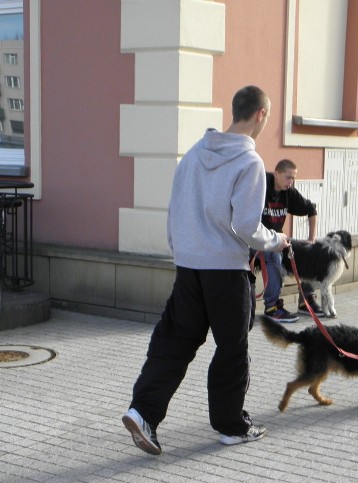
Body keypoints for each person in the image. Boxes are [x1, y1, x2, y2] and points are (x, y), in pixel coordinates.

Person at [121, 86, 290, 456]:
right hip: (226, 271)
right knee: (232, 349)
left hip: (188, 266)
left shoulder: (194, 155)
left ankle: (143, 412)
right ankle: (231, 427)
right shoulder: (250, 163)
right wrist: (277, 241)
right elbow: (247, 225)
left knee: (174, 342)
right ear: (261, 114)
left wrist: (181, 251)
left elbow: (174, 210)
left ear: (235, 110)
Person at [258, 159, 326, 321]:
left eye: (293, 178)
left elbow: (311, 209)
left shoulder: (289, 192)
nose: (291, 182)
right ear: (276, 174)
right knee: (273, 255)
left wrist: (311, 239)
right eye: (288, 177)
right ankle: (272, 307)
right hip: (256, 240)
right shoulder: (260, 187)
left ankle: (306, 301)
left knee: (307, 251)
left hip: (278, 238)